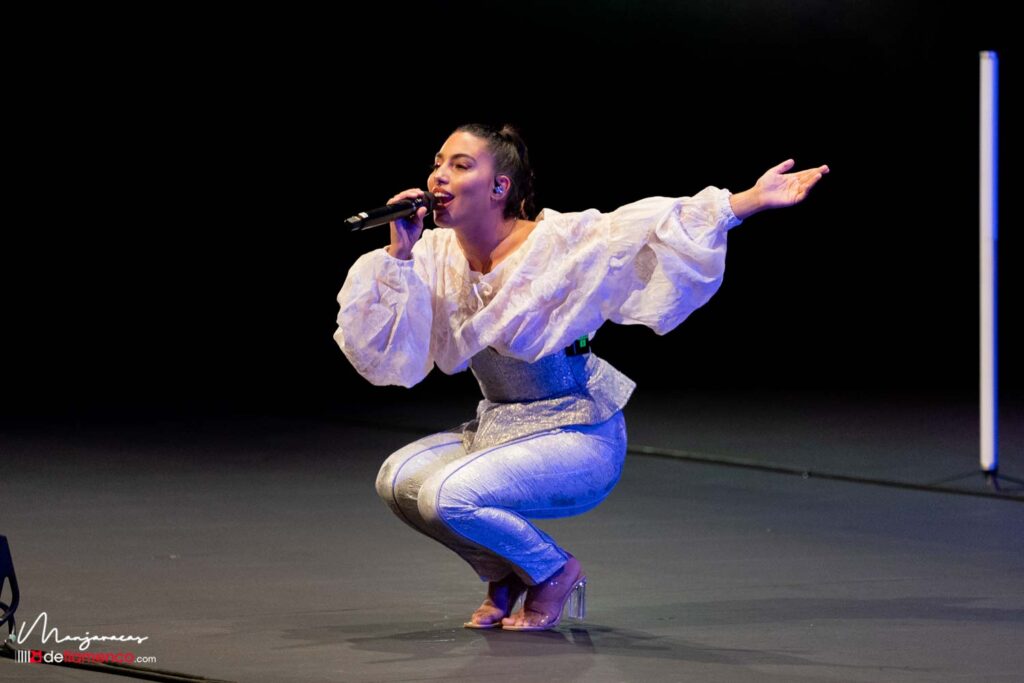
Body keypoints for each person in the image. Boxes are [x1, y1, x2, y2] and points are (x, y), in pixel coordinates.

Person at [334, 123, 828, 631]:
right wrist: (400, 253)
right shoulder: (435, 257)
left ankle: (553, 571)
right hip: (500, 430)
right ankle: (504, 573)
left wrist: (747, 200)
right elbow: (384, 353)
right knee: (398, 482)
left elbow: (650, 223)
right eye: (437, 163)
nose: (439, 176)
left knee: (446, 496)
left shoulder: (557, 244)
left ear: (499, 187)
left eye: (460, 165)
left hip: (578, 434)